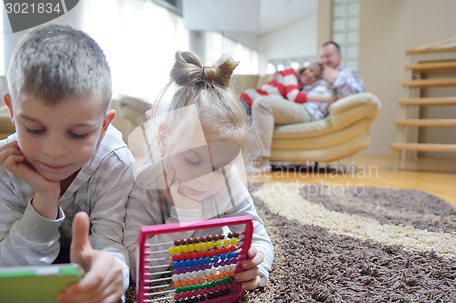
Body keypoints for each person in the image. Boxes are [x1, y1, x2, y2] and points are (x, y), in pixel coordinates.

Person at [0, 24, 135, 303]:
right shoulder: (6, 164)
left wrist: (111, 272)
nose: (55, 151)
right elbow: (8, 269)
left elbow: (112, 244)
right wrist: (45, 198)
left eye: (77, 134)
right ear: (12, 111)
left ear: (103, 126)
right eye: (34, 129)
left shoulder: (115, 163)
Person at [124, 51, 274, 290]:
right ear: (164, 140)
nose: (205, 180)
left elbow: (257, 235)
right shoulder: (144, 188)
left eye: (219, 168)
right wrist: (184, 219)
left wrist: (258, 264)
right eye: (193, 161)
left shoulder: (227, 181)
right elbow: (135, 268)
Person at [250, 41, 365, 172]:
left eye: (329, 56)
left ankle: (261, 162)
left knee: (262, 103)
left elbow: (359, 95)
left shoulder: (346, 73)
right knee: (257, 105)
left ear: (339, 57)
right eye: (322, 56)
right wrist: (275, 78)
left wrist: (336, 78)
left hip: (310, 112)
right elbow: (293, 89)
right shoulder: (317, 74)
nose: (324, 60)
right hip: (296, 106)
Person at [240, 62, 333, 109]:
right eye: (311, 70)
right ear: (305, 69)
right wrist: (325, 98)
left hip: (258, 108)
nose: (311, 75)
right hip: (247, 100)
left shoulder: (302, 91)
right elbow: (293, 96)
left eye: (315, 76)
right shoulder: (291, 72)